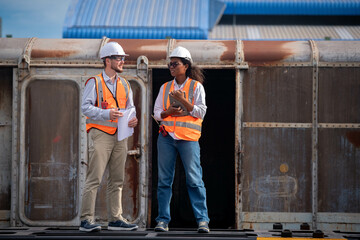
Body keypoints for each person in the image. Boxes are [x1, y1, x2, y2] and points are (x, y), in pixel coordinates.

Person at [79, 42, 139, 232]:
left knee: (117, 179)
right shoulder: (94, 82)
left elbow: (130, 108)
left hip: (121, 136)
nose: (122, 61)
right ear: (107, 60)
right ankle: (86, 219)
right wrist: (107, 114)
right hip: (101, 135)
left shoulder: (125, 83)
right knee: (94, 178)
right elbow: (85, 107)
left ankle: (115, 218)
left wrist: (133, 119)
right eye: (119, 58)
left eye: (123, 58)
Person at [153, 46, 210, 233]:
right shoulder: (165, 87)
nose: (171, 66)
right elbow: (156, 114)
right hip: (167, 138)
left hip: (188, 140)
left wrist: (183, 101)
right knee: (164, 181)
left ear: (186, 66)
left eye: (175, 63)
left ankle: (203, 221)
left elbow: (201, 112)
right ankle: (162, 220)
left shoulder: (196, 87)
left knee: (194, 180)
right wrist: (168, 112)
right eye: (170, 64)